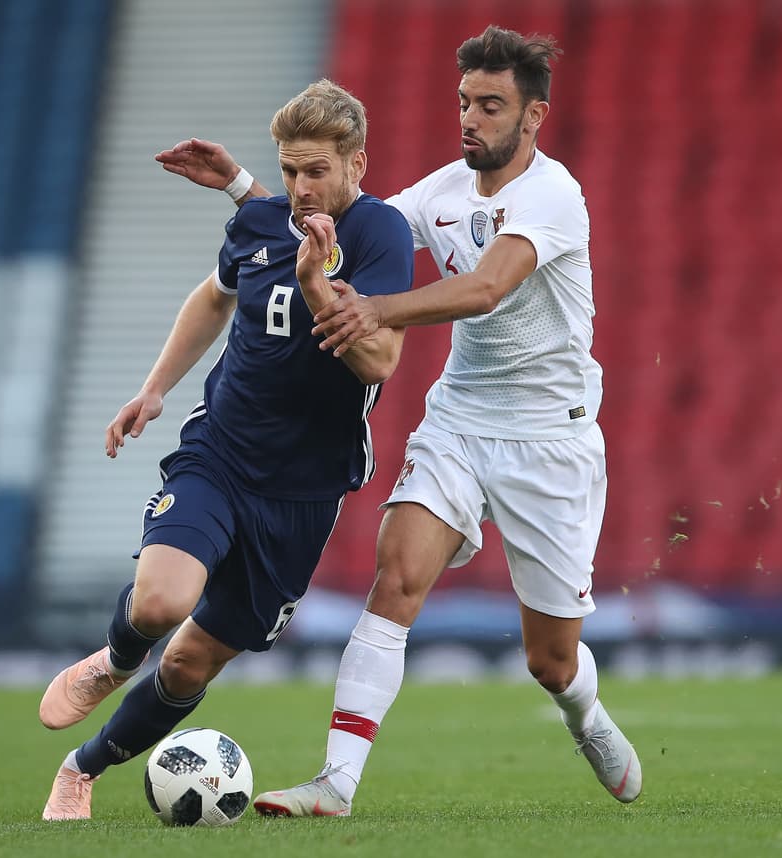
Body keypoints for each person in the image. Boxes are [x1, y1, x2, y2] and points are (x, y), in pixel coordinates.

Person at [155, 26, 642, 816]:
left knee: (550, 661)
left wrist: (376, 307)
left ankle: (584, 711)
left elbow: (486, 289)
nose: (471, 120)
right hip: (459, 419)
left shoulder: (554, 195)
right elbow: (343, 217)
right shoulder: (438, 193)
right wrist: (247, 188)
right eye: (463, 103)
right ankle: (336, 784)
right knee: (395, 582)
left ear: (534, 116)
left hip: (551, 436)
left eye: (491, 106)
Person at [38, 79, 414, 821]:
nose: (301, 189)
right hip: (222, 452)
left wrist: (315, 285)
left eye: (316, 171)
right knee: (161, 601)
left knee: (188, 660)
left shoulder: (381, 236)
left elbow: (378, 364)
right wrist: (154, 388)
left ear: (356, 165)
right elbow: (214, 295)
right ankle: (114, 659)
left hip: (304, 492)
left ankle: (81, 769)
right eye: (288, 170)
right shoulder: (262, 222)